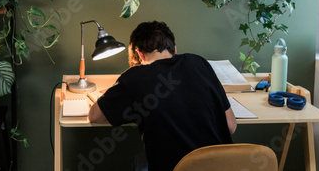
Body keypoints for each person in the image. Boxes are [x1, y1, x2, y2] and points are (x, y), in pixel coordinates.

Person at [89, 21, 237, 171]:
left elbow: (94, 116)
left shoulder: (134, 78)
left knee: (140, 162)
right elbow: (231, 126)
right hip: (222, 166)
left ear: (140, 54)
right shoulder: (198, 62)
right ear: (174, 51)